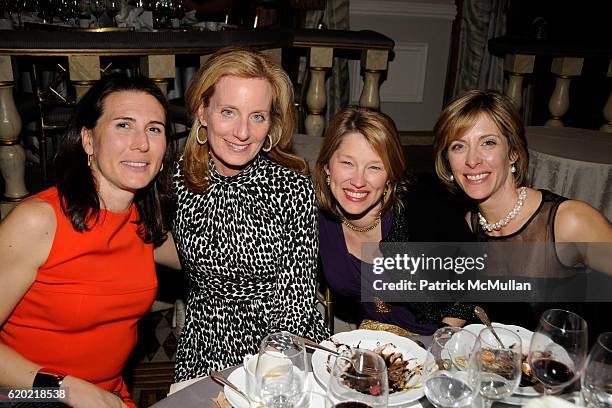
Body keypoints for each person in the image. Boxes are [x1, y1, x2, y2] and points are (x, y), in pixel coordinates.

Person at [0, 73, 176, 407]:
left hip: (104, 396)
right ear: (88, 140)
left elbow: (208, 258)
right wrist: (66, 389)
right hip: (25, 393)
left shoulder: (144, 222)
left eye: (154, 128)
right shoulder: (38, 220)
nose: (142, 143)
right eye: (123, 125)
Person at [154, 46, 329, 381]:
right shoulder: (175, 180)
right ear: (203, 112)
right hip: (204, 341)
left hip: (281, 338)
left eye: (257, 116)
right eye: (229, 112)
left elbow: (297, 297)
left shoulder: (293, 189)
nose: (243, 132)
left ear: (271, 123)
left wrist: (271, 368)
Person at [432, 89, 612, 336]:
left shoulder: (567, 221)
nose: (472, 160)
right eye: (458, 146)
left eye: (488, 143)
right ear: (448, 161)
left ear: (513, 153)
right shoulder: (472, 224)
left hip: (568, 368)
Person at [312, 106, 475, 336]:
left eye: (375, 167)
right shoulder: (316, 221)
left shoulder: (421, 211)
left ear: (390, 176)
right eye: (347, 163)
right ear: (327, 166)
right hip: (372, 339)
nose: (358, 181)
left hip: (434, 338)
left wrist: (442, 342)